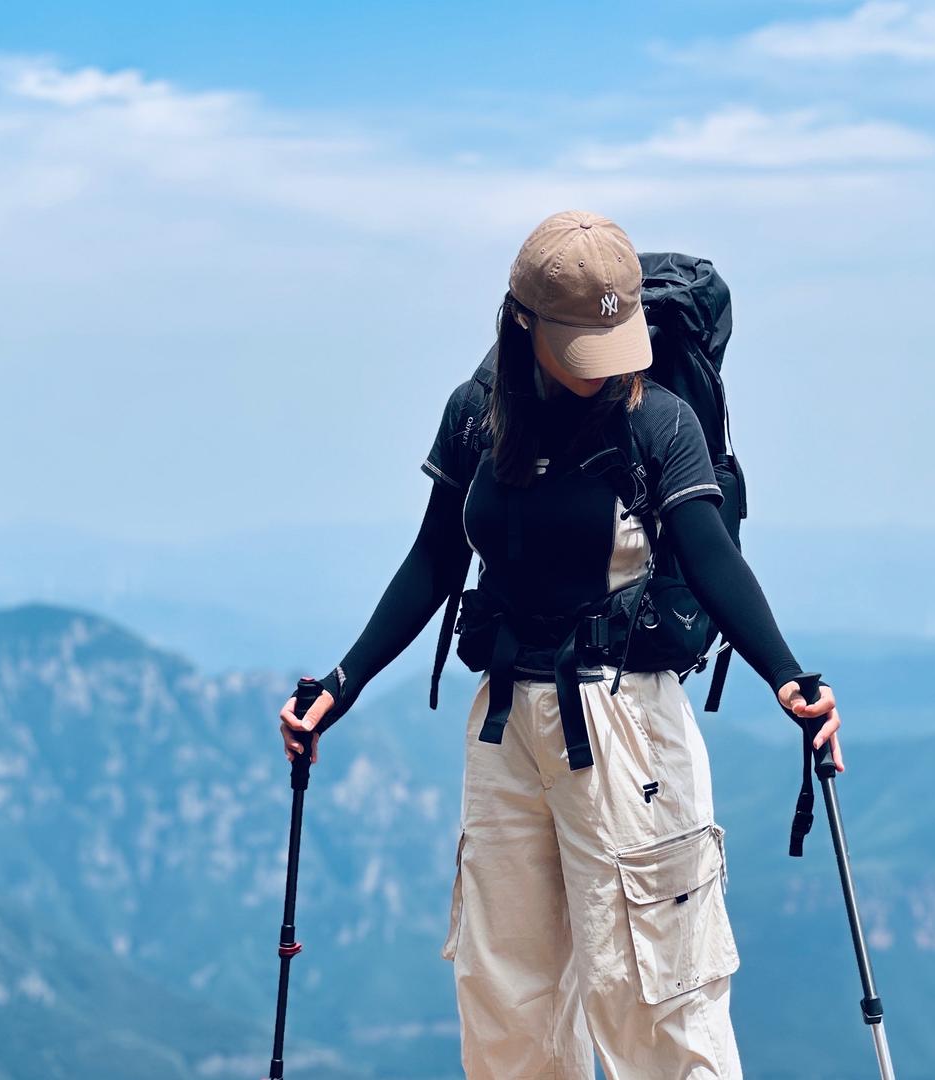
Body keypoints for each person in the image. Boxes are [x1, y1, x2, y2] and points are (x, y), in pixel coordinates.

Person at [278, 210, 843, 1079]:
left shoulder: (658, 422)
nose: (606, 369)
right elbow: (435, 559)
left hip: (626, 728)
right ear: (523, 325)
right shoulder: (476, 418)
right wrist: (341, 685)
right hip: (506, 728)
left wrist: (787, 677)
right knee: (507, 999)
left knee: (655, 1001)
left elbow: (710, 555)